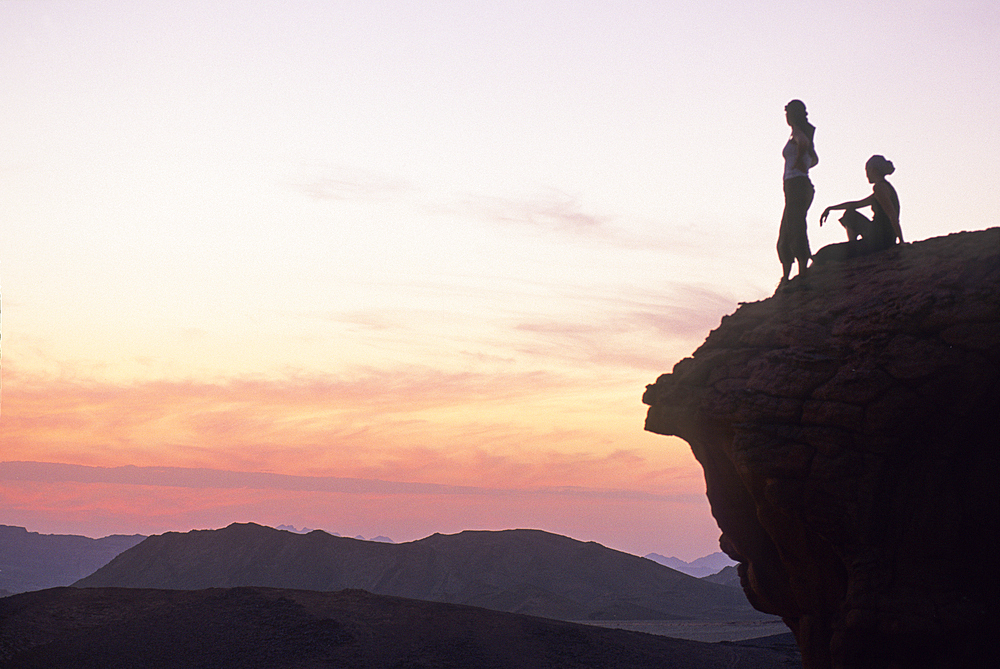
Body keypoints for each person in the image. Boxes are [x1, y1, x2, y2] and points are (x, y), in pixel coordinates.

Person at [817, 154, 902, 259]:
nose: (866, 174)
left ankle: (853, 246)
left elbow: (892, 215)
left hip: (880, 239)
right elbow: (856, 204)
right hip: (882, 237)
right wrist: (831, 208)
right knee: (850, 212)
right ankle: (853, 245)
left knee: (826, 252)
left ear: (873, 170)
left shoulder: (879, 188)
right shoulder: (882, 188)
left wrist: (901, 241)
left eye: (867, 170)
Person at [777, 100, 819, 283]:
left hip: (797, 185)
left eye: (787, 113)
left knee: (795, 228)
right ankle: (786, 276)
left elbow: (803, 143)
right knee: (786, 231)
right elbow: (816, 159)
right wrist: (805, 162)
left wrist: (799, 161)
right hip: (796, 186)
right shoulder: (800, 133)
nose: (786, 116)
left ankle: (802, 273)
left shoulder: (797, 133)